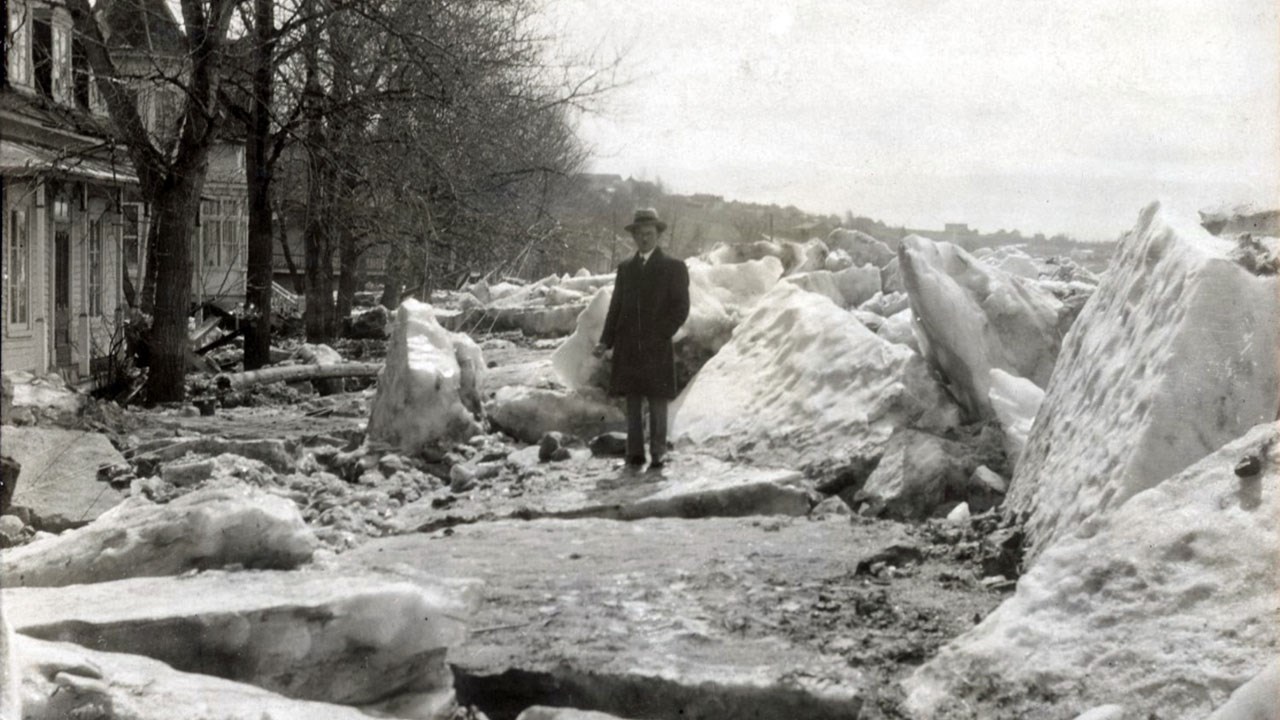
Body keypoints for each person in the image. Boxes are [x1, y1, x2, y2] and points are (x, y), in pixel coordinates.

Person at [593, 208, 690, 469]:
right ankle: (634, 453)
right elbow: (616, 307)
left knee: (658, 400)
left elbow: (681, 307)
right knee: (633, 400)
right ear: (634, 236)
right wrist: (606, 341)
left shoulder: (674, 267)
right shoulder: (626, 268)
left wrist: (662, 333)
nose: (644, 239)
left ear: (658, 235)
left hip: (657, 345)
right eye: (639, 234)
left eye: (649, 234)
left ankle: (658, 452)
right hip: (629, 346)